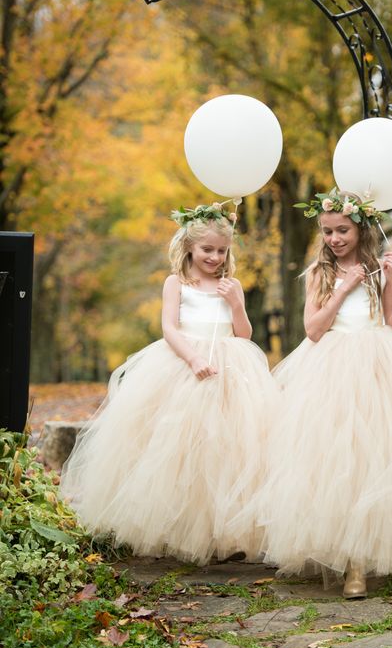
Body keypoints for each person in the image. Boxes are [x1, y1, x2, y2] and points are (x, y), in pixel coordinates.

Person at [259, 188, 392, 597]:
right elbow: (314, 329)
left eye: (343, 230)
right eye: (328, 232)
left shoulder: (376, 268)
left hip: (377, 366)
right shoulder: (319, 273)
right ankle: (348, 558)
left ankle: (367, 556)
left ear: (361, 228)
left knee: (377, 457)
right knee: (335, 460)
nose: (335, 239)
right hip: (330, 370)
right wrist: (342, 288)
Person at [60, 202, 277, 565]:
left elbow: (244, 335)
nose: (215, 257)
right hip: (183, 364)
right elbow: (169, 328)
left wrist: (237, 304)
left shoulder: (231, 285)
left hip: (228, 369)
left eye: (222, 250)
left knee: (227, 449)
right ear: (189, 247)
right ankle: (178, 529)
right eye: (208, 249)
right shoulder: (176, 283)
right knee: (178, 450)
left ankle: (225, 533)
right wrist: (193, 359)